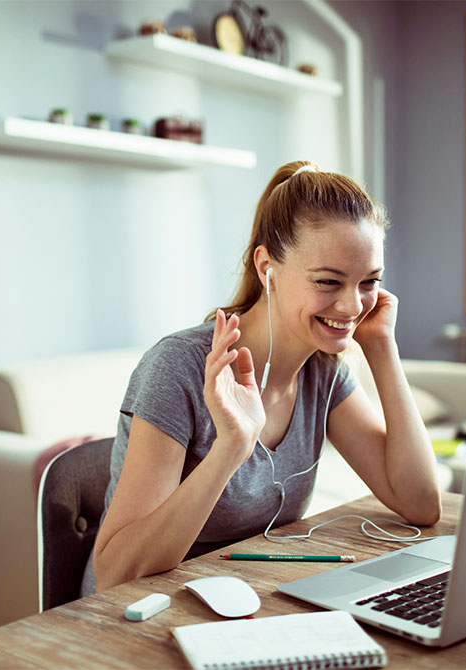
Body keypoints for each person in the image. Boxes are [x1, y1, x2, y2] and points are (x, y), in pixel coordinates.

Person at [81, 160, 441, 595]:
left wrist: (383, 349)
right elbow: (115, 572)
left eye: (370, 281)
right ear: (267, 267)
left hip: (247, 597)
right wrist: (231, 447)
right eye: (328, 282)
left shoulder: (322, 371)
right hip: (141, 613)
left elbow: (420, 504)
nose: (351, 306)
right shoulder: (178, 367)